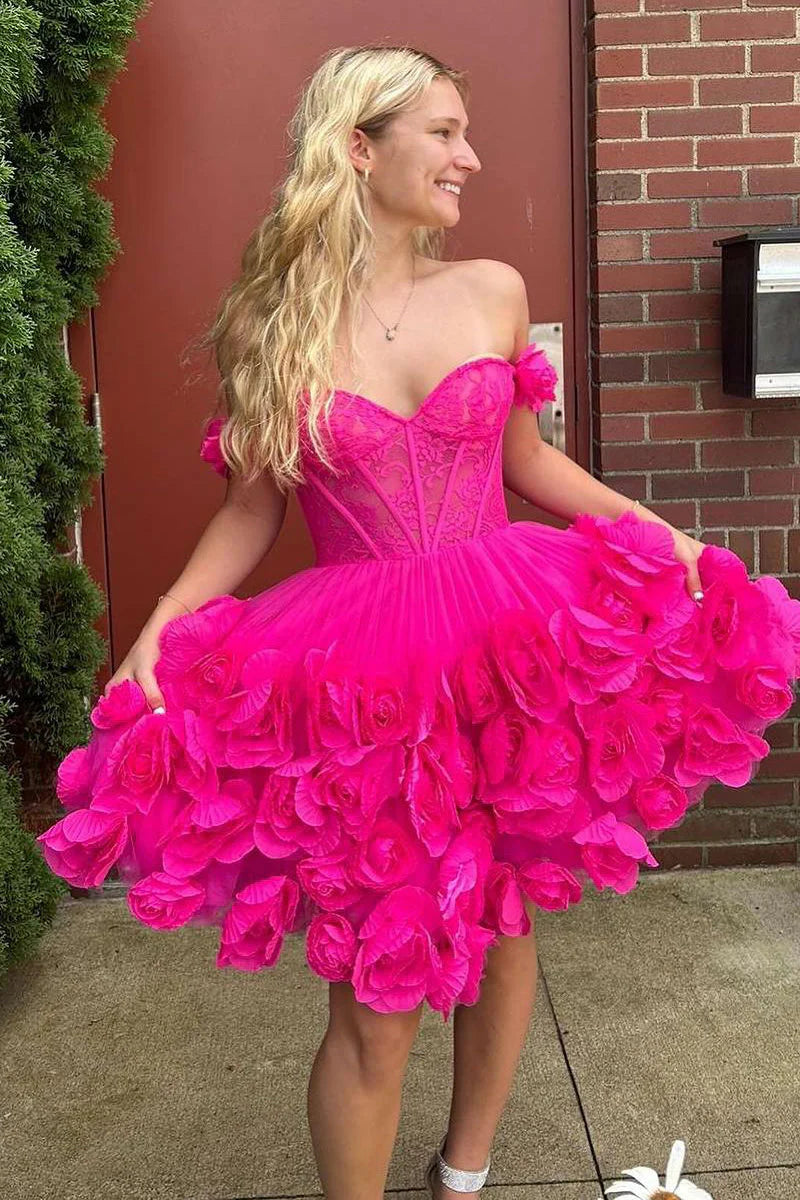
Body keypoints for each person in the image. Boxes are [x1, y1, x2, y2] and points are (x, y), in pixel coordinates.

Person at [37, 44, 800, 1200]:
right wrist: (160, 629)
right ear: (358, 147)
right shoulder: (269, 327)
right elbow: (249, 511)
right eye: (441, 133)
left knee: (504, 915)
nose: (468, 157)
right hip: (360, 678)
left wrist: (666, 541)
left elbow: (528, 463)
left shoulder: (492, 290)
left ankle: (463, 1173)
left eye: (464, 132)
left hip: (505, 644)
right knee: (372, 995)